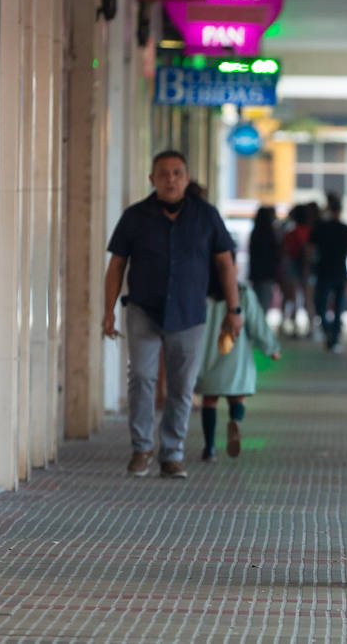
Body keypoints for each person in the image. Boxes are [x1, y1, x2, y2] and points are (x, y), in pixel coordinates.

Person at [103, 150, 242, 479]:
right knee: (141, 378)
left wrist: (234, 310)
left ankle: (172, 453)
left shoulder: (206, 216)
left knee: (182, 387)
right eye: (163, 173)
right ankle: (141, 449)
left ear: (186, 178)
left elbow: (225, 263)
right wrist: (107, 310)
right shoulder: (135, 217)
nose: (170, 179)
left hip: (189, 312)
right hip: (142, 309)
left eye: (177, 173)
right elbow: (116, 265)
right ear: (152, 179)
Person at [196, 260, 280, 462]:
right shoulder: (243, 293)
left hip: (207, 353)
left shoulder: (201, 290)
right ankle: (235, 420)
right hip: (237, 352)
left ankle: (210, 448)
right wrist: (271, 349)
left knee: (210, 399)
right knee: (237, 395)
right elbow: (257, 324)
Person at [309, 193, 347, 353]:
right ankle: (334, 336)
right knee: (338, 307)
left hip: (323, 272)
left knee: (321, 306)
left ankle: (329, 331)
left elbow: (310, 250)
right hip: (340, 273)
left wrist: (310, 267)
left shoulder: (320, 228)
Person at [279, 204, 314, 338]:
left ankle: (294, 327)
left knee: (293, 299)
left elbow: (285, 252)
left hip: (293, 266)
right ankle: (311, 327)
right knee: (308, 299)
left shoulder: (290, 234)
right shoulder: (310, 232)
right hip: (307, 268)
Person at [247, 206, 280, 313]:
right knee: (264, 302)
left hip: (257, 273)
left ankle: (257, 326)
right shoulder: (271, 234)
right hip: (267, 273)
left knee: (257, 302)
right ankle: (260, 327)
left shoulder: (255, 233)